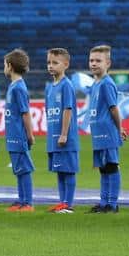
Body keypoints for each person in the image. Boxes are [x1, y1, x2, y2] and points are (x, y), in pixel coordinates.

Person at [86, 45, 125, 213]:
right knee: (103, 168)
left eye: (98, 61)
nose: (94, 63)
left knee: (111, 165)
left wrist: (120, 128)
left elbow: (113, 108)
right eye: (91, 60)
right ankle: (104, 202)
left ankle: (112, 203)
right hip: (98, 131)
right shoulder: (96, 84)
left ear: (108, 63)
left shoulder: (107, 84)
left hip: (108, 130)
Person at [45, 47, 79, 214]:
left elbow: (67, 109)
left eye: (55, 63)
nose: (51, 66)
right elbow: (48, 111)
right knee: (59, 170)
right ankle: (62, 202)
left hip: (65, 137)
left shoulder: (66, 85)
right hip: (53, 136)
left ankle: (68, 204)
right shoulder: (50, 87)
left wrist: (64, 133)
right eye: (49, 62)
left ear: (65, 64)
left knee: (68, 170)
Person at [3, 49, 35, 212]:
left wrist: (29, 134)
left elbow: (25, 113)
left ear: (10, 66)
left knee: (24, 168)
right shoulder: (13, 86)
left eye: (5, 64)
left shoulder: (19, 88)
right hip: (12, 134)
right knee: (18, 168)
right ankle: (21, 200)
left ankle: (27, 202)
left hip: (19, 135)